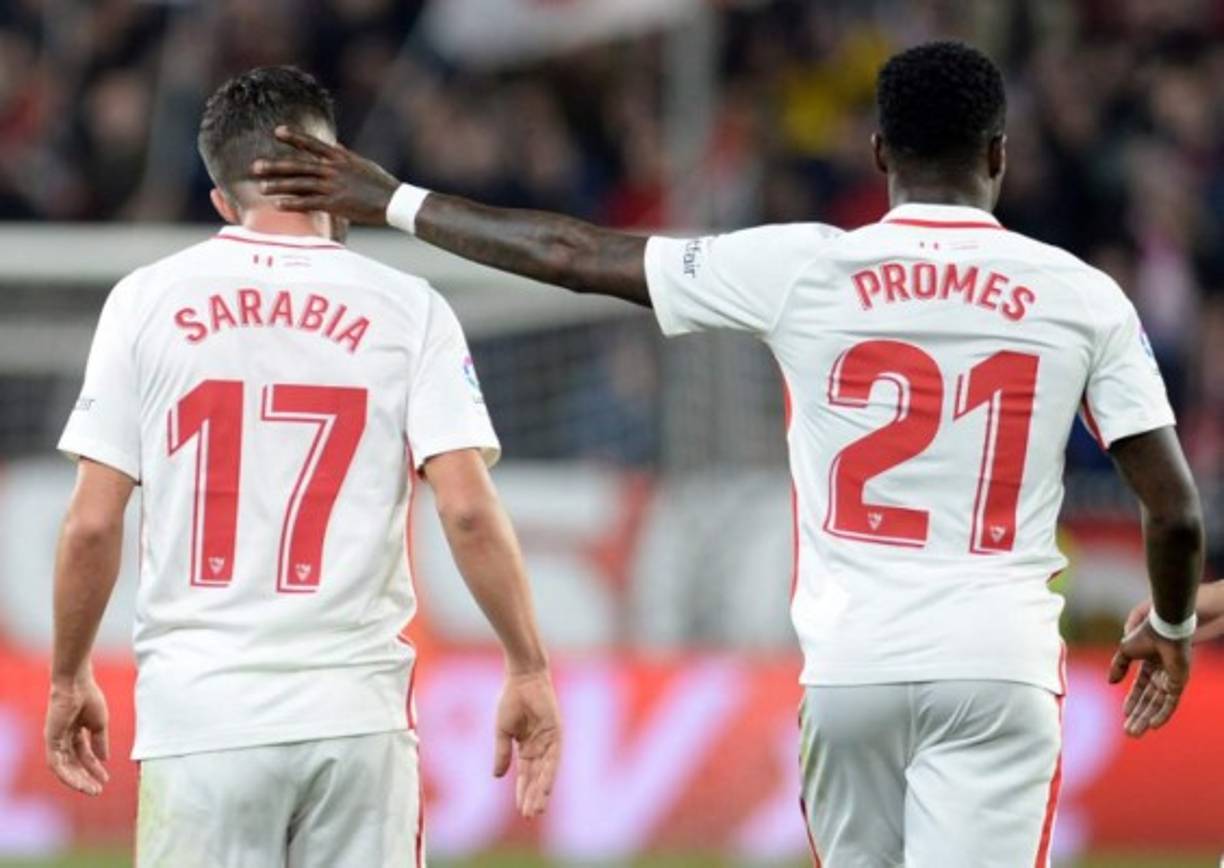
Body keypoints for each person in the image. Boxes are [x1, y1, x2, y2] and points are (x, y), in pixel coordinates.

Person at [252, 42, 1204, 867]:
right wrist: (1166, 622)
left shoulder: (805, 268)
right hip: (999, 667)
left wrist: (395, 200)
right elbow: (1173, 509)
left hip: (852, 672)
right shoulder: (1082, 295)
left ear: (877, 154)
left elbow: (571, 252)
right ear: (1000, 154)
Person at [44, 66, 561, 868]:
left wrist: (68, 676)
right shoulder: (408, 305)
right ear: (337, 166)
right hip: (354, 716)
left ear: (222, 200)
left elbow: (91, 523)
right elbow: (465, 509)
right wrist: (528, 664)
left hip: (202, 716)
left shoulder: (145, 301)